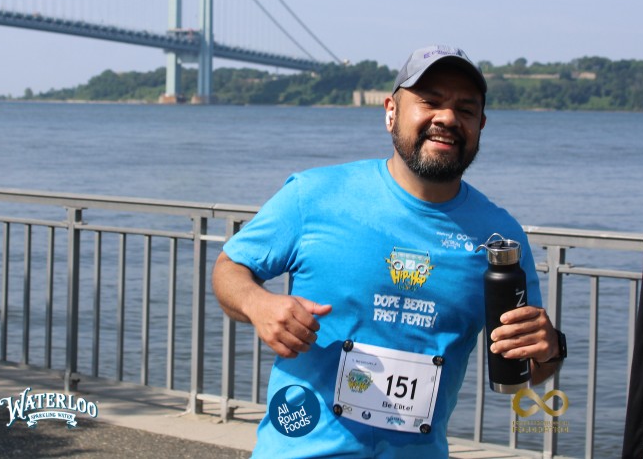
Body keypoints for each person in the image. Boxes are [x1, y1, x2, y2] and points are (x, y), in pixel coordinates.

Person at [212, 44, 565, 458]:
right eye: (430, 101)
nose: (447, 118)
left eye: (465, 109)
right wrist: (258, 304)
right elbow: (230, 267)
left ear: (480, 125)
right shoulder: (315, 195)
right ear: (391, 112)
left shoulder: (499, 237)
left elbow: (529, 367)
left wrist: (549, 349)